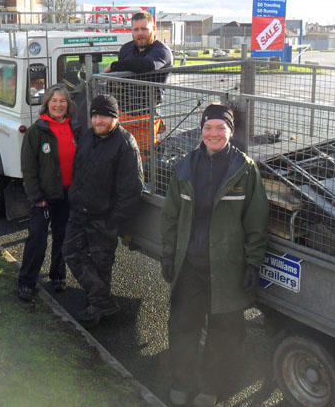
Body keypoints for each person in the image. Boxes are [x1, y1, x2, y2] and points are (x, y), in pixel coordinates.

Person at [160, 103, 269, 407]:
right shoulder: (184, 167)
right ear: (201, 130)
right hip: (189, 267)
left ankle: (211, 387)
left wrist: (252, 263)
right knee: (182, 327)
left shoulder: (245, 169)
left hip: (226, 270)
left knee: (224, 334)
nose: (213, 133)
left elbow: (256, 221)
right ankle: (182, 382)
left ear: (230, 132)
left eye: (221, 128)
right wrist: (168, 254)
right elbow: (170, 215)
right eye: (208, 127)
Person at [62, 94, 144, 327]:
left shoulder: (126, 143)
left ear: (115, 118)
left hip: (103, 217)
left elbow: (132, 189)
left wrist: (113, 219)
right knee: (71, 252)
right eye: (95, 115)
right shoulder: (88, 136)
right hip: (79, 212)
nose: (98, 120)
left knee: (101, 264)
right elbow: (79, 170)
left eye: (104, 116)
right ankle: (102, 300)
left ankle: (97, 306)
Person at [17, 85, 81, 303]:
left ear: (68, 105)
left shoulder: (75, 128)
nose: (58, 105)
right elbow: (28, 167)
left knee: (62, 238)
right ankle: (26, 282)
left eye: (63, 101)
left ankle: (58, 275)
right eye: (54, 100)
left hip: (67, 195)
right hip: (44, 198)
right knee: (37, 240)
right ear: (47, 104)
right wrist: (37, 197)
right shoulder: (37, 131)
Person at [104, 10, 173, 154]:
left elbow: (146, 65)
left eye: (144, 29)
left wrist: (114, 66)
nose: (140, 33)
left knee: (143, 159)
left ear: (153, 29)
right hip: (123, 114)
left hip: (146, 116)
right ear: (131, 31)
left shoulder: (162, 51)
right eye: (136, 29)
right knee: (121, 155)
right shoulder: (126, 49)